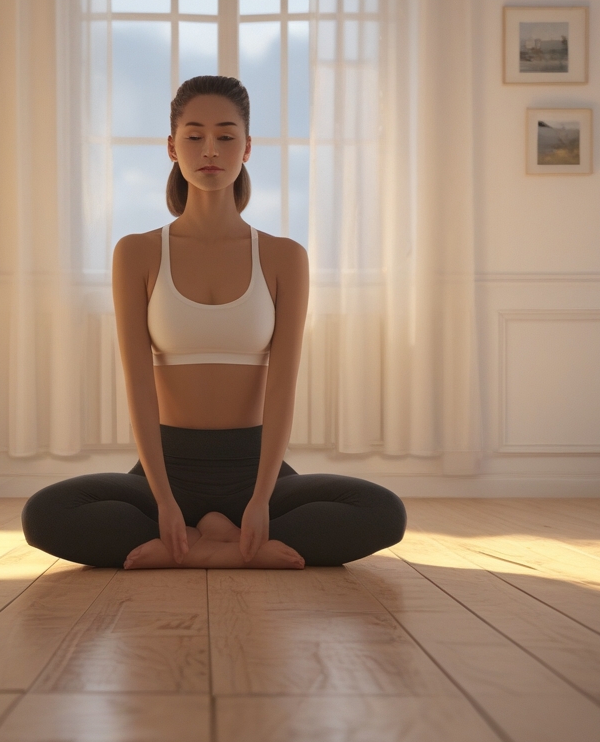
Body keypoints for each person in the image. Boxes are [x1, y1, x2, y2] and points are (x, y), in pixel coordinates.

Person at [22, 76, 406, 569]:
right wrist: (161, 500)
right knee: (45, 514)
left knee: (383, 512)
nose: (210, 149)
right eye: (194, 135)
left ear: (247, 148)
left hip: (254, 467)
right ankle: (225, 548)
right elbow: (139, 386)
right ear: (171, 146)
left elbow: (282, 390)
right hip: (167, 466)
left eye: (226, 136)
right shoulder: (137, 252)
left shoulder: (284, 256)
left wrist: (263, 500)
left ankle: (191, 546)